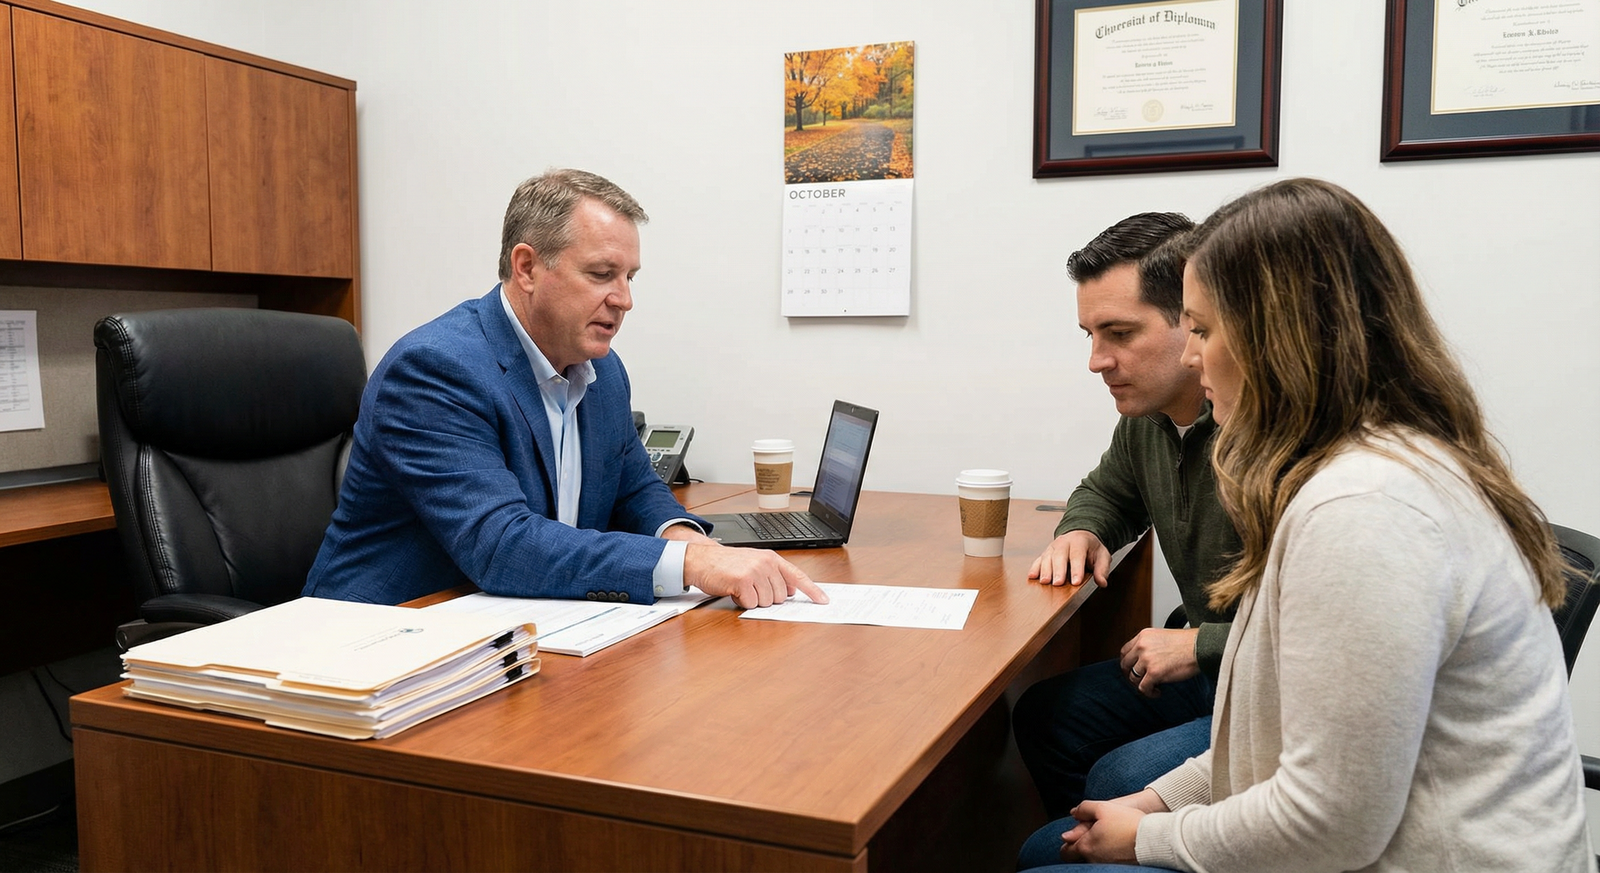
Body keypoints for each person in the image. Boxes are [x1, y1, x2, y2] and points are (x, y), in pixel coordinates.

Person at [1022, 177, 1591, 871]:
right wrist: (1158, 804)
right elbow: (1273, 726)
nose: (1193, 355)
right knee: (1047, 843)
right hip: (1363, 837)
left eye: (1201, 329)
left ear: (1276, 336)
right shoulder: (1346, 468)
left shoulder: (1363, 511)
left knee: (1052, 854)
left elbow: (1329, 821)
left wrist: (1147, 835)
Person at [304, 169, 827, 610]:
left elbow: (633, 489)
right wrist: (693, 563)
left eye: (630, 277)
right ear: (527, 267)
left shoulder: (602, 369)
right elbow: (502, 545)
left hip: (516, 630)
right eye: (602, 274)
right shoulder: (435, 370)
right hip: (380, 644)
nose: (624, 300)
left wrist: (684, 539)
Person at [1013, 214, 1241, 820]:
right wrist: (1081, 530)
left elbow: (1313, 635)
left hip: (1264, 681)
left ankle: (1120, 840)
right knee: (1045, 715)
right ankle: (1095, 848)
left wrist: (1203, 644)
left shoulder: (1266, 434)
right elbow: (1108, 492)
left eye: (1118, 333)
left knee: (1118, 775)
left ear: (1191, 323)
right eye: (1089, 334)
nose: (1096, 361)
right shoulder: (1147, 419)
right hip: (1207, 660)